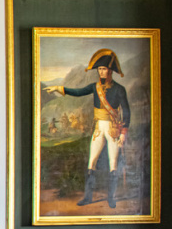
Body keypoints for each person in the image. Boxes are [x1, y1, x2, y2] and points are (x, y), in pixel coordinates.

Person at [45, 49, 130, 209]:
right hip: (99, 128)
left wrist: (123, 133)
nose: (101, 72)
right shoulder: (94, 87)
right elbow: (78, 92)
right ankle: (88, 197)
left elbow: (127, 111)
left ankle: (111, 198)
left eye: (104, 69)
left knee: (113, 164)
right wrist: (60, 88)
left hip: (113, 129)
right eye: (99, 69)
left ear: (110, 71)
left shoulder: (119, 89)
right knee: (91, 162)